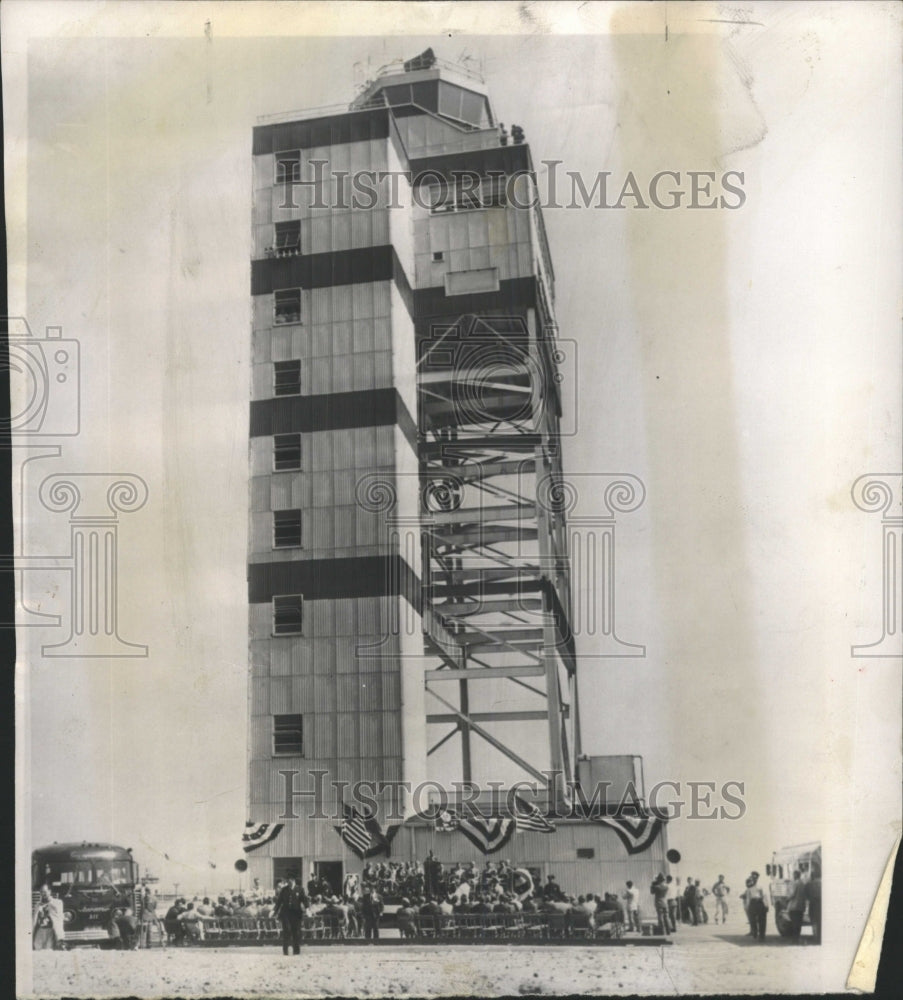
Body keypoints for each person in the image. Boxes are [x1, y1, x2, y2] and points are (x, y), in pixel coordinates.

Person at [273, 875, 307, 955]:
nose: (289, 882)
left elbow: (304, 900)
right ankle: (285, 952)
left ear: (294, 880)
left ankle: (296, 951)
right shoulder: (284, 890)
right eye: (288, 880)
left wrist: (307, 909)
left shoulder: (300, 889)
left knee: (296, 932)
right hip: (286, 913)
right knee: (287, 931)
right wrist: (274, 910)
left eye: (290, 880)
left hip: (296, 913)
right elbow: (279, 902)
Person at [743, 871, 768, 941]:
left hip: (760, 903)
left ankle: (762, 935)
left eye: (755, 877)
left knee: (762, 920)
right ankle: (754, 933)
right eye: (753, 877)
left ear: (757, 878)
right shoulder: (749, 885)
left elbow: (764, 896)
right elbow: (748, 897)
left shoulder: (760, 886)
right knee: (752, 920)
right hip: (752, 903)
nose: (754, 879)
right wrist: (747, 906)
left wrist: (766, 905)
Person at [785, 870, 807, 943]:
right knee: (799, 923)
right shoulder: (802, 884)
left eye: (793, 875)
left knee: (794, 923)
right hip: (801, 906)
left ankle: (795, 939)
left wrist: (787, 899)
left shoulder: (794, 883)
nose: (793, 876)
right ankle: (797, 938)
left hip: (794, 906)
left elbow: (792, 894)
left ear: (795, 875)